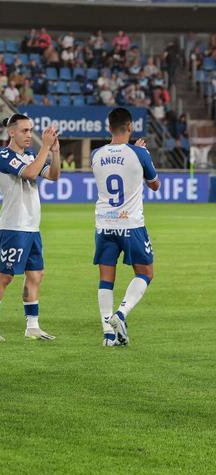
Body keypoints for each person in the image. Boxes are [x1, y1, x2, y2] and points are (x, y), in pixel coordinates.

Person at [0, 114, 61, 342]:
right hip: (13, 226)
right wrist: (45, 146)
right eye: (24, 131)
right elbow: (31, 173)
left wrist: (54, 152)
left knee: (36, 274)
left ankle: (32, 327)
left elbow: (53, 175)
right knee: (6, 276)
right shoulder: (5, 157)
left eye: (30, 130)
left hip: (32, 227)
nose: (29, 135)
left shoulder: (31, 156)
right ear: (11, 132)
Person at [91, 107, 160, 347]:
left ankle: (108, 336)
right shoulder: (138, 154)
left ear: (108, 127)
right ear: (130, 127)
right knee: (145, 273)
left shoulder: (96, 155)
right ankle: (120, 314)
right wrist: (143, 154)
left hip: (104, 224)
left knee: (106, 279)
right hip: (130, 224)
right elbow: (154, 184)